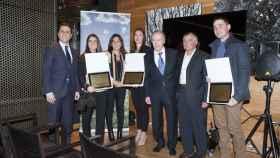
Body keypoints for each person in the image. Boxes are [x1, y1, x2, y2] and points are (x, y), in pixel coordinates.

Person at [209, 16, 250, 158]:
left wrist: (237, 96)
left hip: (233, 95)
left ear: (228, 27)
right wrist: (209, 77)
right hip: (216, 93)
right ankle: (224, 155)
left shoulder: (239, 45)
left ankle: (241, 155)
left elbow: (245, 71)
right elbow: (215, 70)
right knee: (221, 128)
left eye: (220, 25)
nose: (217, 29)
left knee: (234, 128)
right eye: (215, 27)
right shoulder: (213, 46)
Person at [42, 23, 80, 144]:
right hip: (55, 94)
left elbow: (75, 73)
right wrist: (47, 91)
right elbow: (46, 71)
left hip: (69, 93)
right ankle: (53, 149)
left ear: (71, 35)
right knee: (53, 124)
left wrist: (77, 89)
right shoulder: (51, 50)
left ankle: (66, 147)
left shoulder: (74, 52)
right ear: (58, 34)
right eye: (62, 31)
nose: (64, 33)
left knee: (67, 124)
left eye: (67, 32)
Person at [144, 31, 178, 156]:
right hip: (154, 94)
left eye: (159, 39)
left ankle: (172, 145)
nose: (156, 42)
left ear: (164, 41)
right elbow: (146, 77)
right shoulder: (147, 56)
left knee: (172, 120)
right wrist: (147, 94)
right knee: (156, 121)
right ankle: (160, 142)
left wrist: (178, 92)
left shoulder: (174, 54)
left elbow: (178, 74)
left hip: (170, 93)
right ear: (151, 42)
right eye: (154, 40)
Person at [176, 32, 209, 158]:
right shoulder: (179, 57)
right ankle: (188, 150)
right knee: (184, 125)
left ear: (195, 42)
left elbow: (208, 80)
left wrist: (206, 99)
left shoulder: (204, 56)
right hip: (181, 95)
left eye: (189, 40)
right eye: (184, 40)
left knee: (198, 125)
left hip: (197, 97)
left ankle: (201, 152)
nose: (186, 42)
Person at [78, 33, 108, 143]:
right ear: (87, 43)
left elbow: (107, 73)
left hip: (101, 91)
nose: (92, 43)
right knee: (86, 118)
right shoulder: (82, 57)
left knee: (100, 118)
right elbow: (80, 76)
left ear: (98, 43)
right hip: (88, 92)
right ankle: (87, 142)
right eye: (90, 41)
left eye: (95, 41)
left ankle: (99, 143)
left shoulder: (102, 56)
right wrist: (86, 86)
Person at [130, 28, 151, 146]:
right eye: (136, 35)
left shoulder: (148, 50)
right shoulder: (132, 51)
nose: (138, 37)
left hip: (144, 85)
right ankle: (139, 130)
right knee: (138, 109)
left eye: (140, 35)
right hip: (134, 85)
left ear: (143, 37)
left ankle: (144, 133)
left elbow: (148, 69)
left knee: (144, 109)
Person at [106, 34, 127, 141]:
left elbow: (127, 71)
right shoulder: (107, 54)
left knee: (120, 109)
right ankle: (110, 131)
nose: (116, 43)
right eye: (113, 41)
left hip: (122, 87)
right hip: (110, 86)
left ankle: (119, 131)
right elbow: (105, 71)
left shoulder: (125, 55)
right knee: (109, 109)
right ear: (111, 43)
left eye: (118, 41)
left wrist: (122, 82)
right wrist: (114, 82)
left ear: (121, 43)